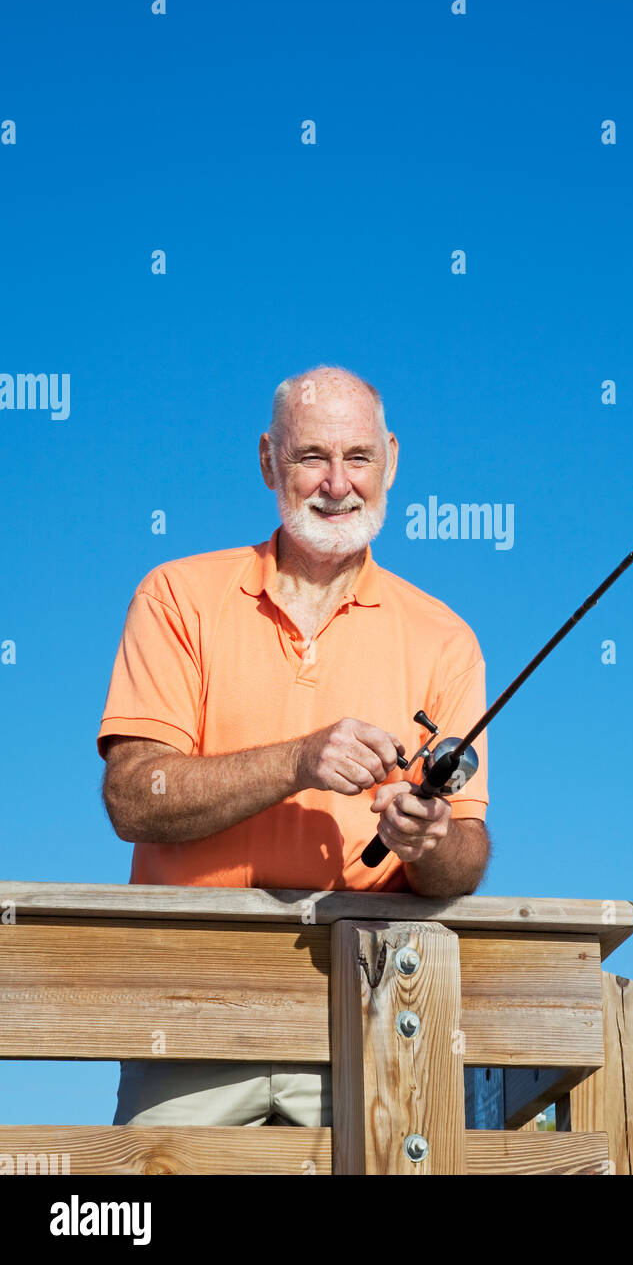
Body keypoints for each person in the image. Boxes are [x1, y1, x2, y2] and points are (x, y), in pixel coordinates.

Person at [98, 365, 491, 1128]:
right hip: (186, 1002)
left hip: (376, 1002)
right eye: (311, 455)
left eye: (359, 457)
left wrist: (428, 841)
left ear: (393, 462)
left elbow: (465, 855)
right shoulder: (177, 595)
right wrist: (298, 761)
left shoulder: (446, 639)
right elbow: (130, 796)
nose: (337, 483)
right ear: (268, 461)